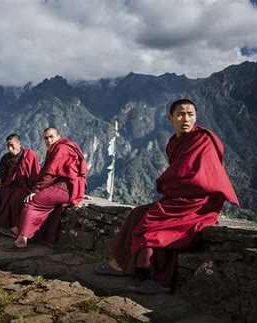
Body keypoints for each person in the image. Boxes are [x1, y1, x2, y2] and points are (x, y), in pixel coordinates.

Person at [95, 99, 239, 294]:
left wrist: (171, 186)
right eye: (180, 114)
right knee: (137, 213)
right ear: (171, 119)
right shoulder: (173, 142)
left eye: (191, 114)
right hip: (178, 199)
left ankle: (161, 281)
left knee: (160, 227)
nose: (186, 119)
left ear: (196, 117)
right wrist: (172, 188)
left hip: (199, 203)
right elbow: (180, 173)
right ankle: (119, 264)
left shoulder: (203, 140)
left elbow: (204, 178)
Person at [5, 127, 88, 250]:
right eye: (46, 138)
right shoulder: (59, 147)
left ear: (58, 136)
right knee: (37, 202)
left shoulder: (61, 149)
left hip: (66, 187)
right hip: (66, 186)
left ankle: (22, 239)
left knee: (32, 202)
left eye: (51, 137)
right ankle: (19, 229)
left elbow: (50, 173)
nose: (48, 140)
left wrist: (36, 191)